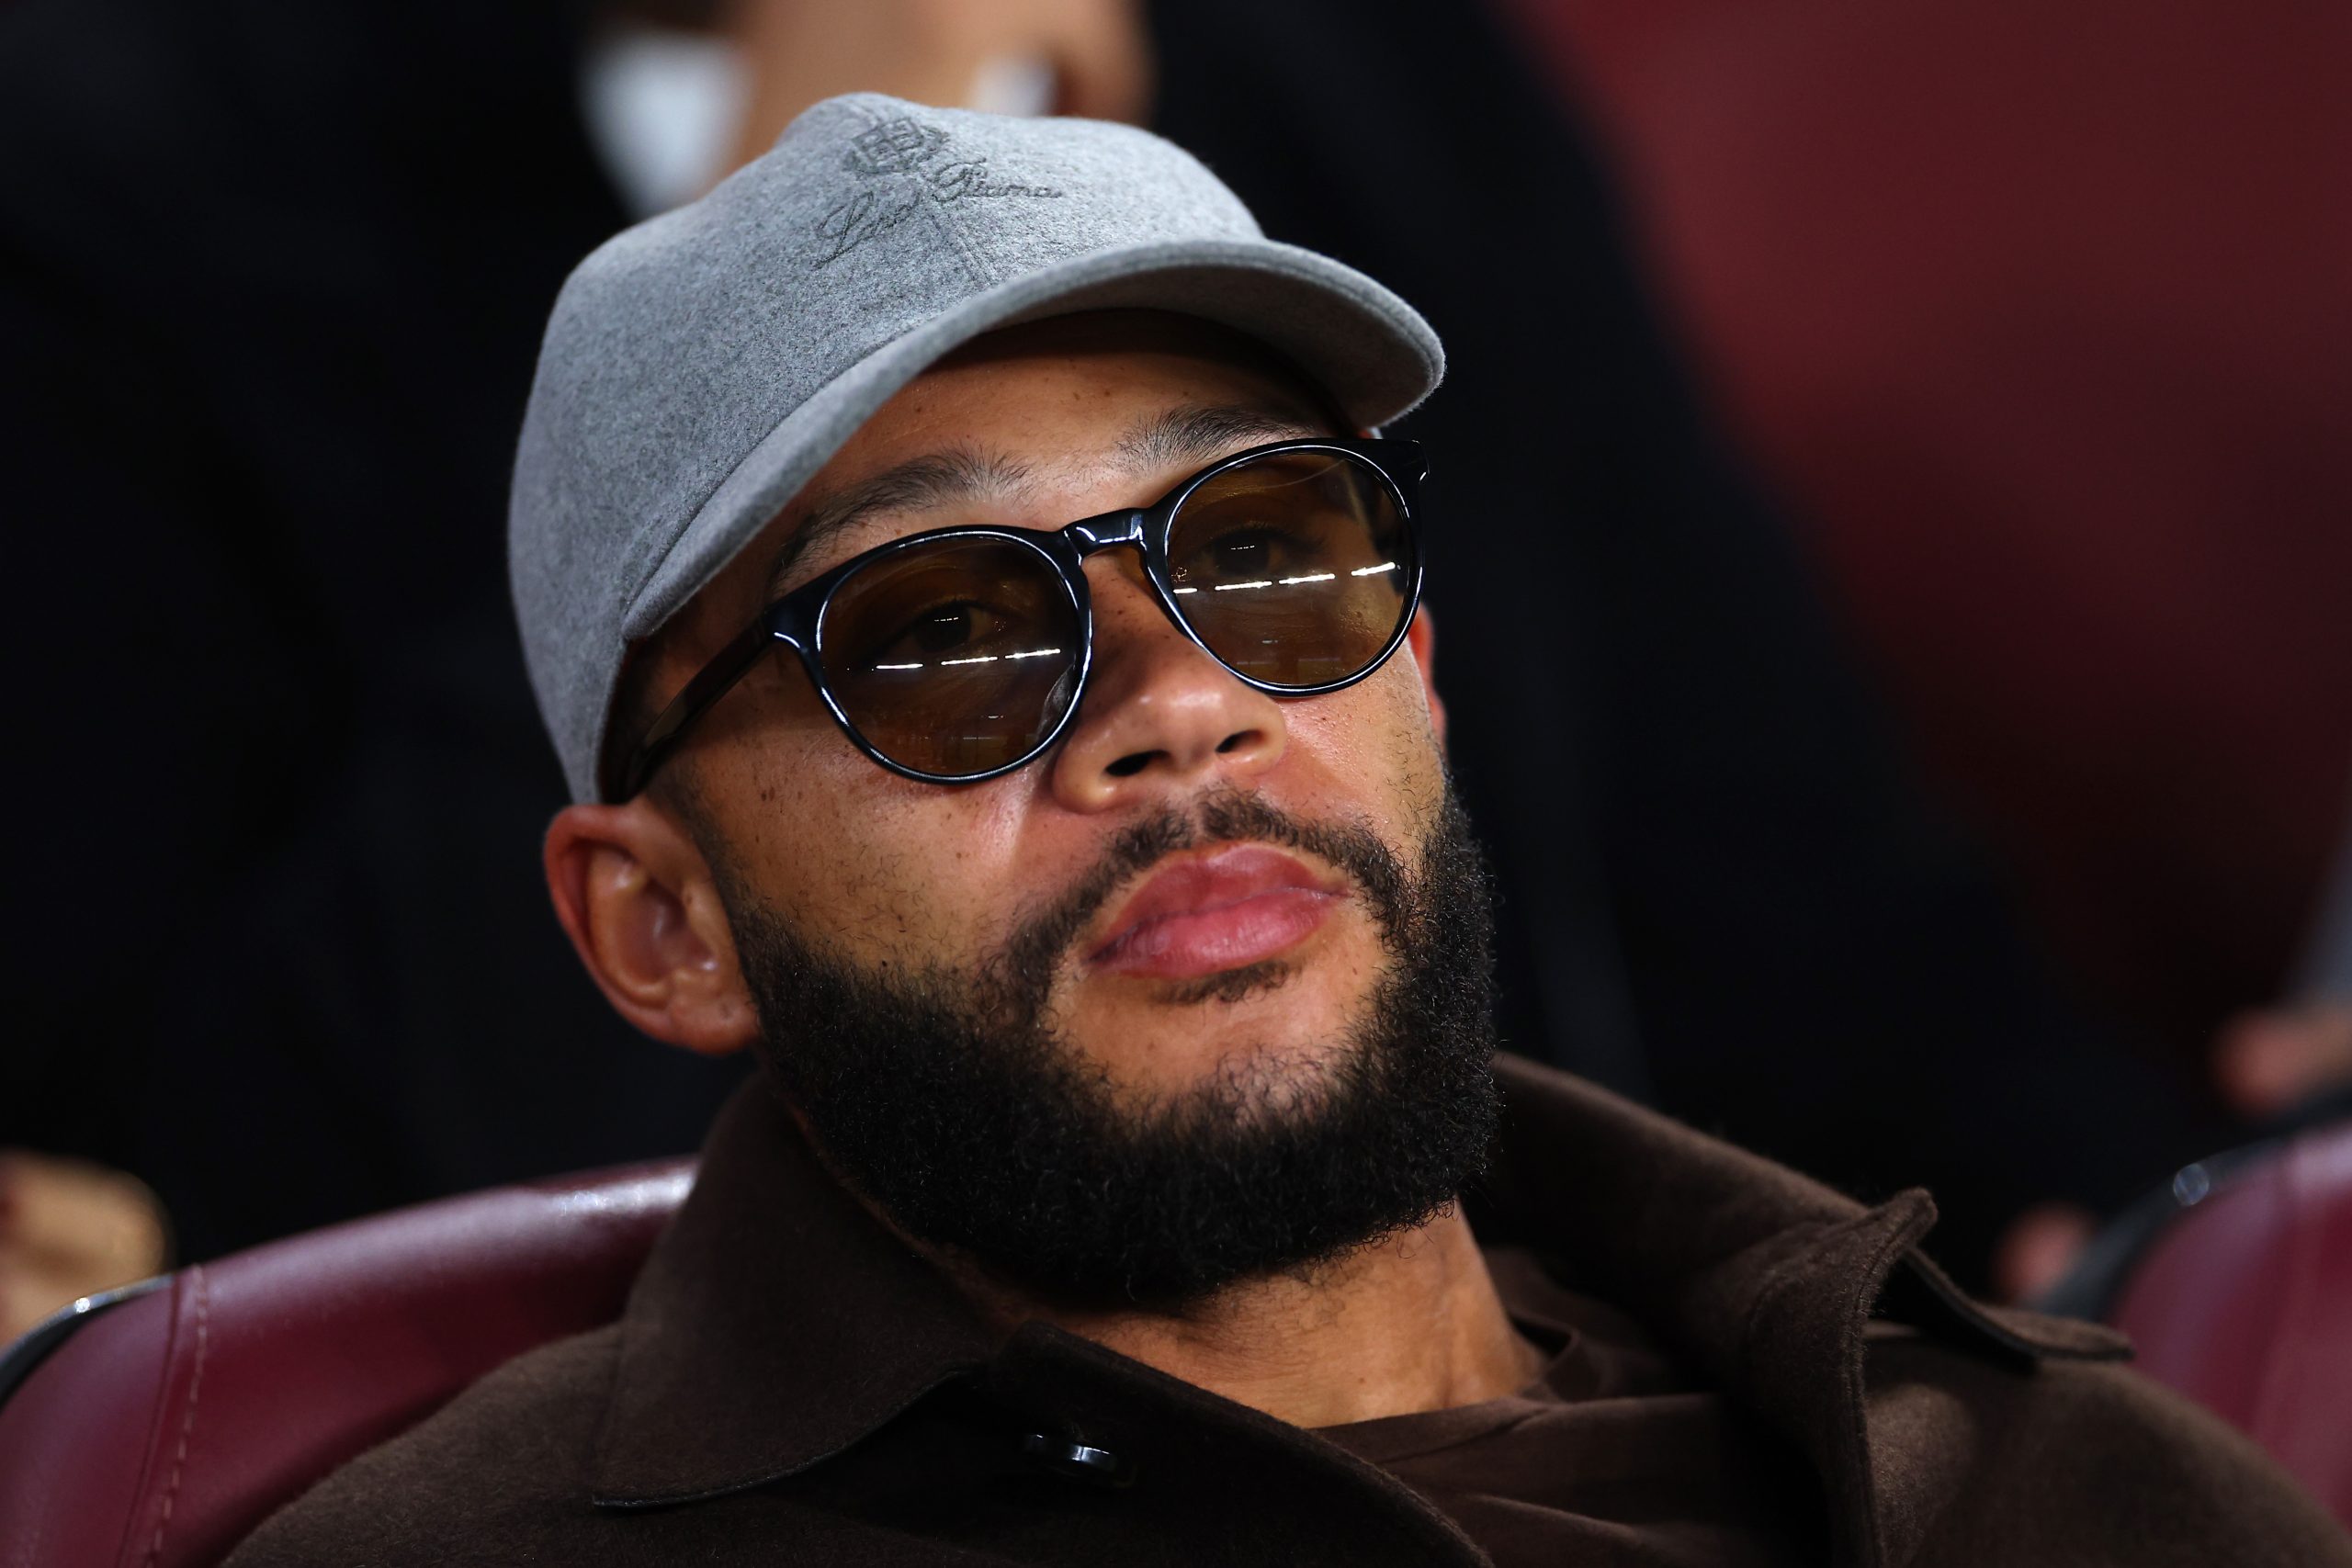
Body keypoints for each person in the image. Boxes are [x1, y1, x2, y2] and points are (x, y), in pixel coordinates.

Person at [224, 97, 2351, 1566]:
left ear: (1417, 672)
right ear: (660, 924)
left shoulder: (2068, 1486)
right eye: (944, 634)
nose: (1179, 703)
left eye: (1261, 554)